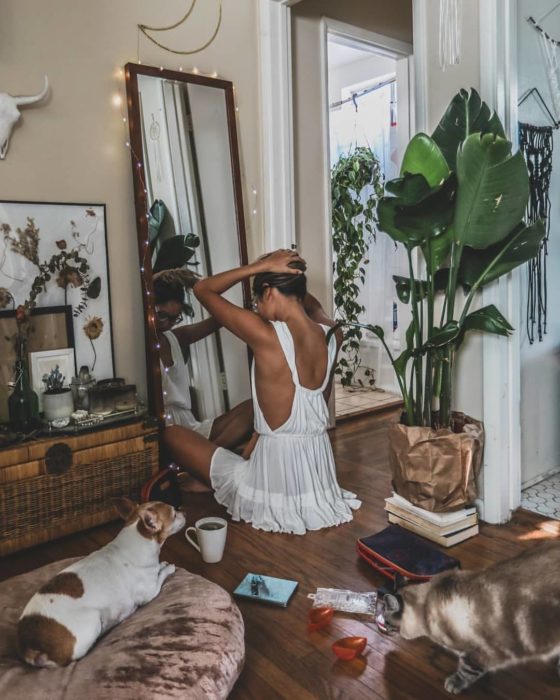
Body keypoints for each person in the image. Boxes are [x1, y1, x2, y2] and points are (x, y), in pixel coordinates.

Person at [164, 249, 361, 534]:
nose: (255, 307)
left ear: (268, 292)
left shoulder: (267, 335)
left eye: (256, 299)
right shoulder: (332, 335)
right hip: (317, 484)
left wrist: (261, 266)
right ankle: (219, 470)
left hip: (269, 484)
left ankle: (210, 479)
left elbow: (202, 289)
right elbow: (313, 305)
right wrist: (290, 279)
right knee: (239, 440)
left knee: (171, 433)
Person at [153, 272, 253, 453]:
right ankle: (205, 456)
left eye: (175, 318)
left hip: (190, 427)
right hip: (165, 432)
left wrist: (244, 307)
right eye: (162, 316)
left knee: (253, 408)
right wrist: (164, 274)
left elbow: (219, 319)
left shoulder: (175, 338)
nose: (168, 324)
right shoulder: (139, 345)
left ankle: (205, 456)